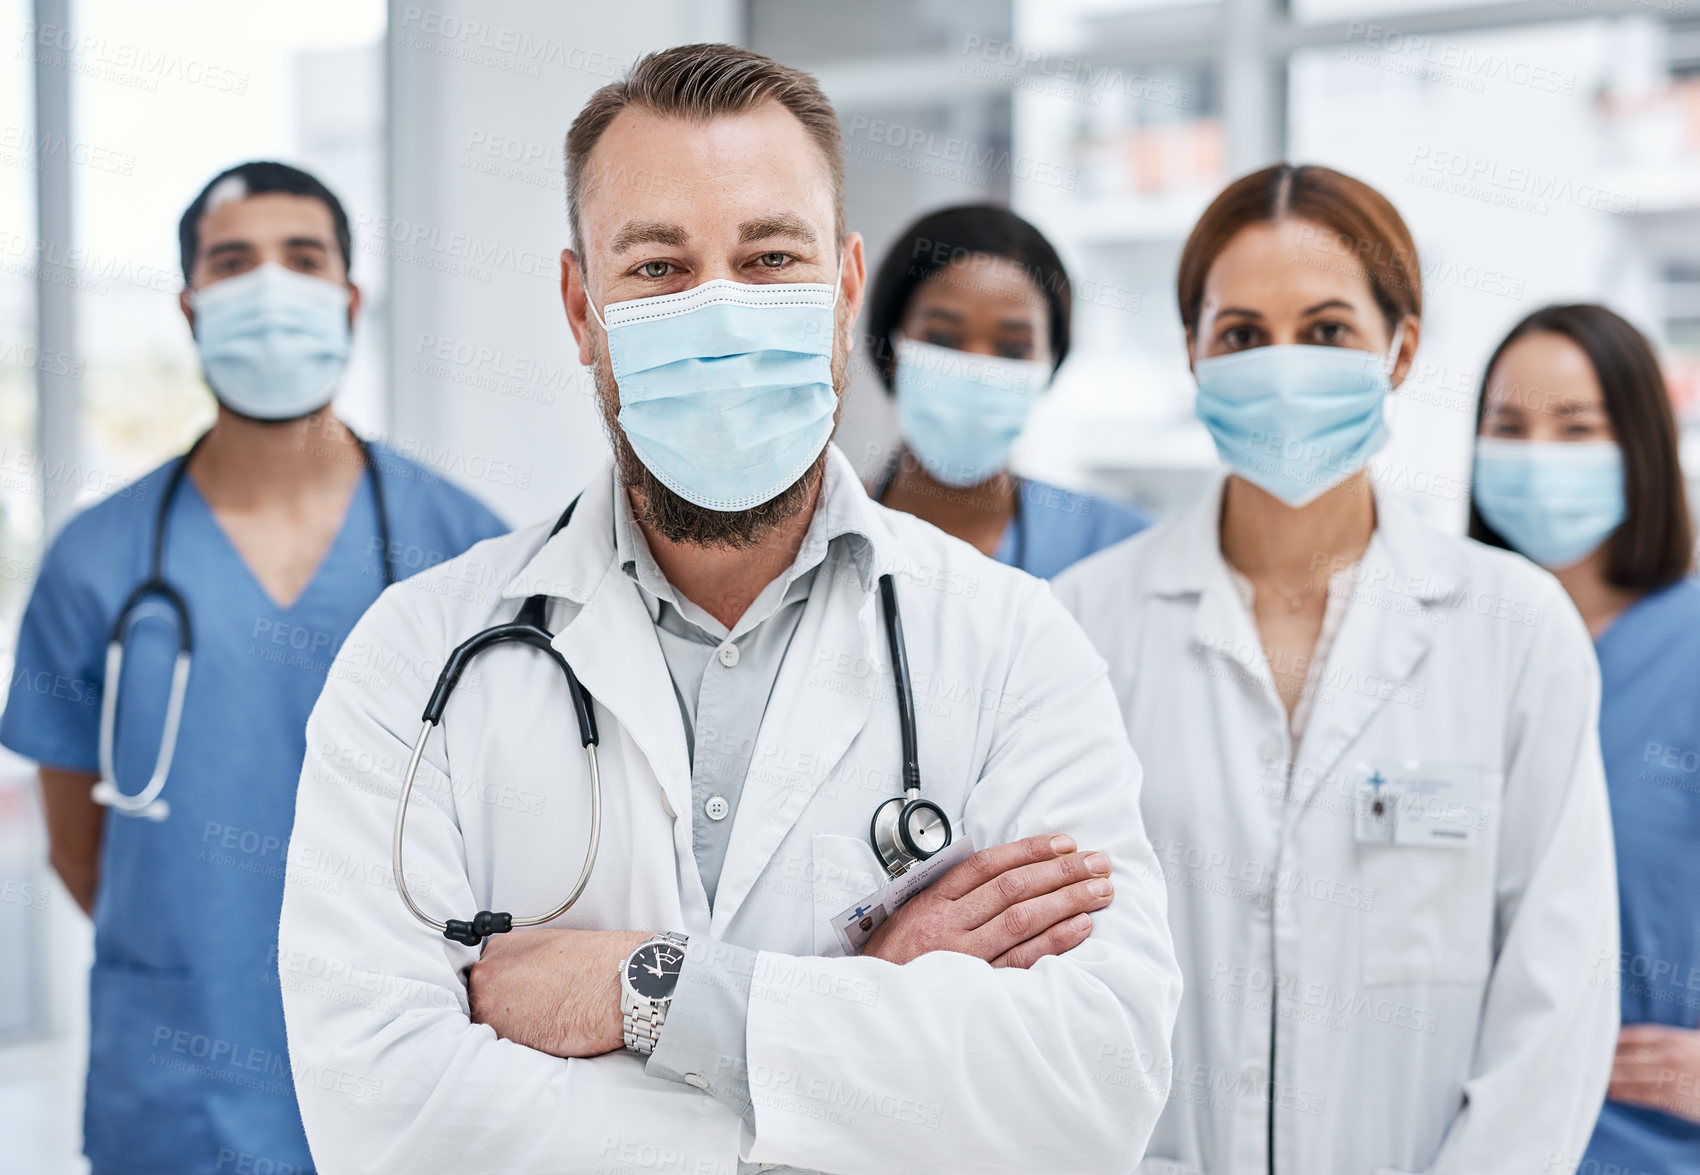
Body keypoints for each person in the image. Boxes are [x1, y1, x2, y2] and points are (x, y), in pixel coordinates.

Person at [278, 44, 1181, 1175]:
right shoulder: (415, 658)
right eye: (657, 268)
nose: (718, 312)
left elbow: (1091, 1086)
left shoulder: (1012, 646)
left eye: (768, 258)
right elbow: (385, 1114)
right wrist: (849, 1038)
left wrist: (651, 993)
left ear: (844, 292)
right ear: (579, 307)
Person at [1053, 163, 1619, 1174]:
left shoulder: (1512, 627)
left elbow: (1557, 991)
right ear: (1190, 350)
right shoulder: (1082, 624)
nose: (1282, 366)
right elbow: (1048, 974)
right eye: (1239, 334)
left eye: (1323, 331)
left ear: (1399, 349)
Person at [0, 160, 508, 1175]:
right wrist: (201, 948)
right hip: (175, 1082)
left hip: (409, 1067)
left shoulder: (463, 547)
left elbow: (513, 825)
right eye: (233, 263)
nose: (269, 286)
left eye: (302, 258)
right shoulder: (97, 559)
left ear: (349, 299)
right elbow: (77, 848)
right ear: (190, 306)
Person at [1469, 303, 1700, 1168]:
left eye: (1576, 429)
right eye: (1509, 427)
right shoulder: (1444, 647)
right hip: (1459, 1131)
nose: (1537, 456)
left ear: (1639, 445)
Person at [863, 204, 1148, 578]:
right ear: (891, 349)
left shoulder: (1119, 548)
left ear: (1050, 365)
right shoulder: (823, 536)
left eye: (1013, 348)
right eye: (943, 339)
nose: (977, 370)